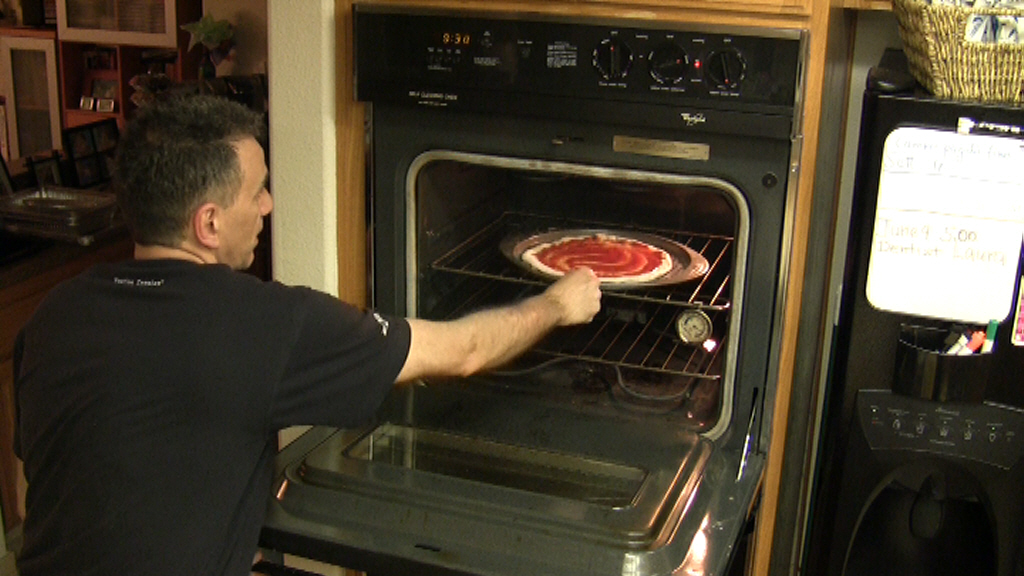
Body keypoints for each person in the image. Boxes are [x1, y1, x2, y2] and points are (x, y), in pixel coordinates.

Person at [12, 95, 601, 576]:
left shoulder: (54, 315)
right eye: (257, 191)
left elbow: (38, 474)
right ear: (209, 223)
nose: (268, 205)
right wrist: (556, 304)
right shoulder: (264, 324)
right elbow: (463, 351)